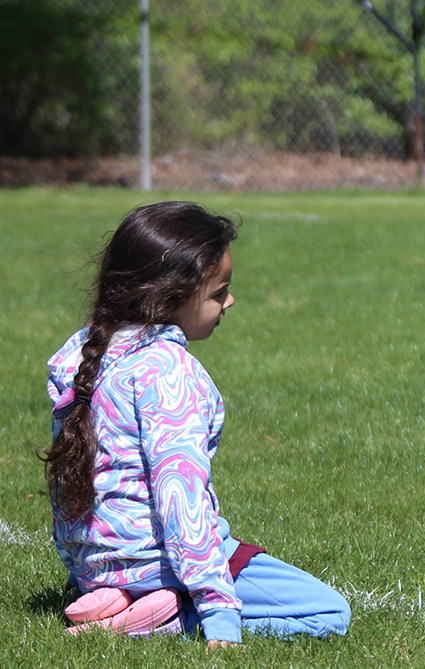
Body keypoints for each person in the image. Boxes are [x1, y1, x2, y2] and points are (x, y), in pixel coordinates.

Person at [43, 202, 350, 645]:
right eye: (219, 292)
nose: (230, 301)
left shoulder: (83, 354)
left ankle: (118, 598)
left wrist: (87, 569)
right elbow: (180, 500)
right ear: (171, 296)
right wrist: (217, 611)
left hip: (96, 566)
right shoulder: (169, 373)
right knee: (329, 612)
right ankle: (169, 618)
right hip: (159, 562)